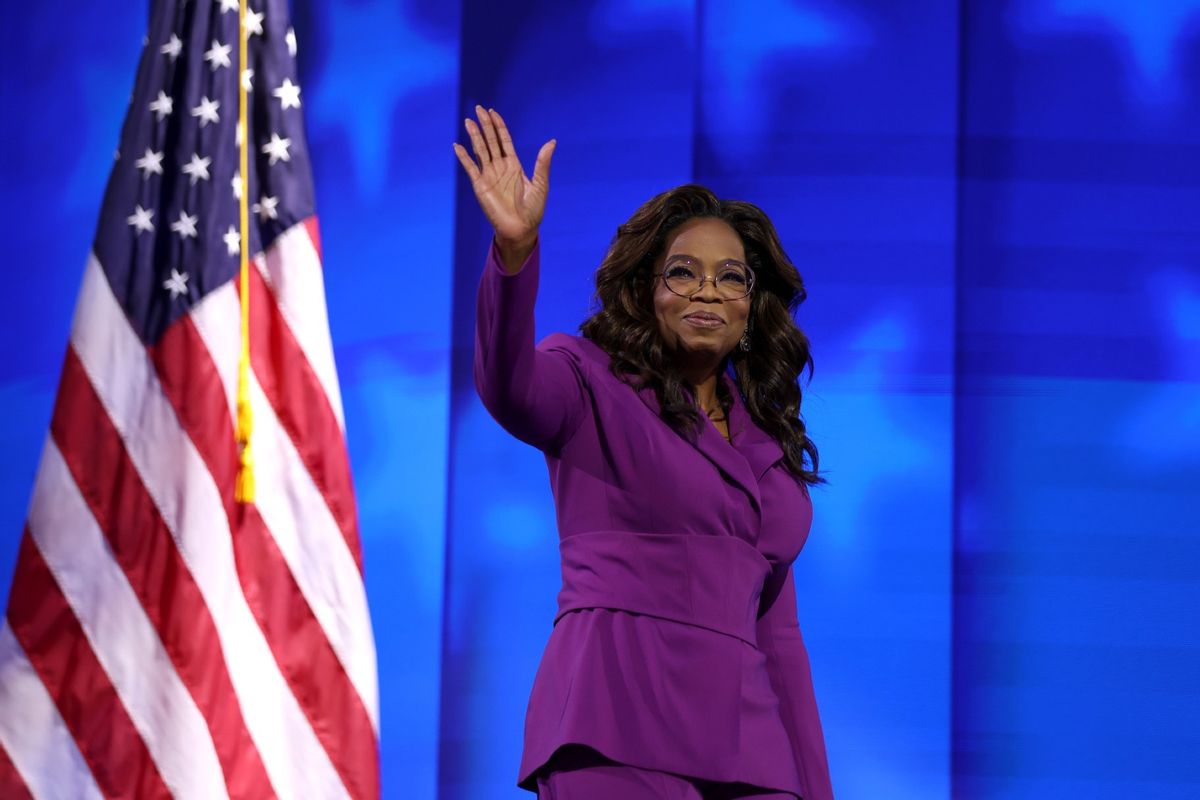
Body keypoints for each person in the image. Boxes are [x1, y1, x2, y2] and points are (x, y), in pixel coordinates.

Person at [453, 105, 834, 800]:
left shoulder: (765, 444)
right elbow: (507, 386)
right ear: (644, 291)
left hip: (752, 746)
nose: (708, 291)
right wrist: (514, 255)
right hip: (617, 714)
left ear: (754, 306)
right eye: (682, 273)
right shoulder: (587, 381)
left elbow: (780, 640)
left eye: (731, 277)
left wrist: (814, 787)